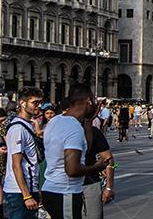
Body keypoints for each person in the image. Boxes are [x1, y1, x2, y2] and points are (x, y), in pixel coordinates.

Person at [41, 86, 110, 219]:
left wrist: (88, 121)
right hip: (65, 191)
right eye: (94, 101)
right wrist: (96, 167)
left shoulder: (55, 121)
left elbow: (85, 149)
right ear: (89, 101)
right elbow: (72, 170)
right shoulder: (73, 127)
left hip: (52, 189)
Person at [4, 89, 43, 219]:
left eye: (40, 103)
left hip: (28, 187)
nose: (38, 106)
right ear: (22, 103)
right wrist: (26, 196)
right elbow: (16, 164)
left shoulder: (27, 124)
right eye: (35, 103)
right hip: (19, 191)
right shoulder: (18, 128)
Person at [81, 115, 114, 219]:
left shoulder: (94, 132)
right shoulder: (59, 132)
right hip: (65, 186)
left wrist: (108, 187)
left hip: (90, 184)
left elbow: (108, 159)